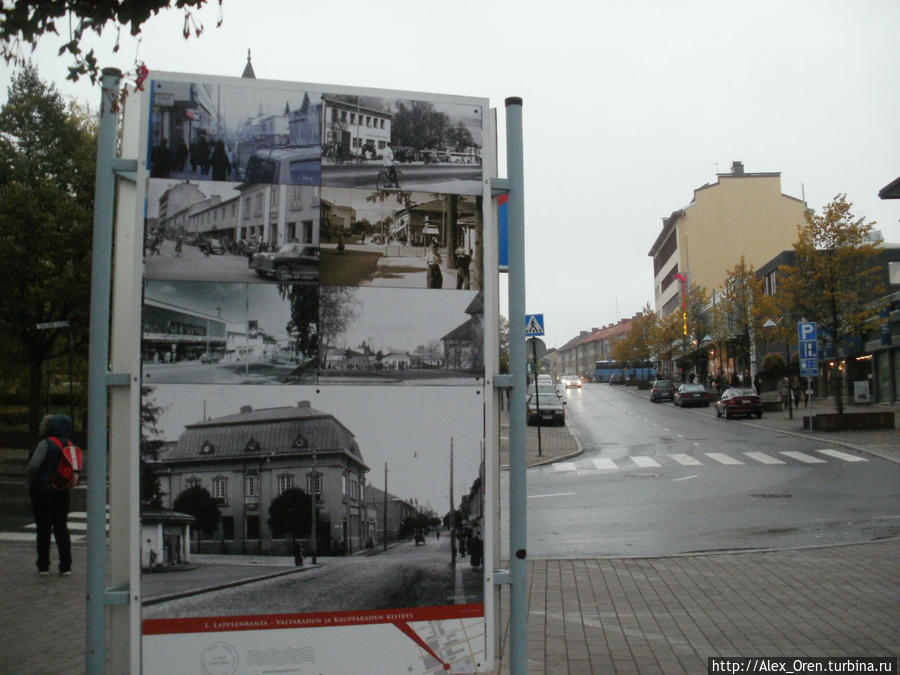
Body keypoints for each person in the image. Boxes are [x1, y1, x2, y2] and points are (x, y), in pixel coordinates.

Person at [26, 414, 76, 576]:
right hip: (61, 490)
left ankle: (43, 565)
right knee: (61, 527)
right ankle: (66, 565)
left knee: (43, 527)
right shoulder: (69, 444)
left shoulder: (46, 444)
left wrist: (31, 483)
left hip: (42, 490)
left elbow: (33, 466)